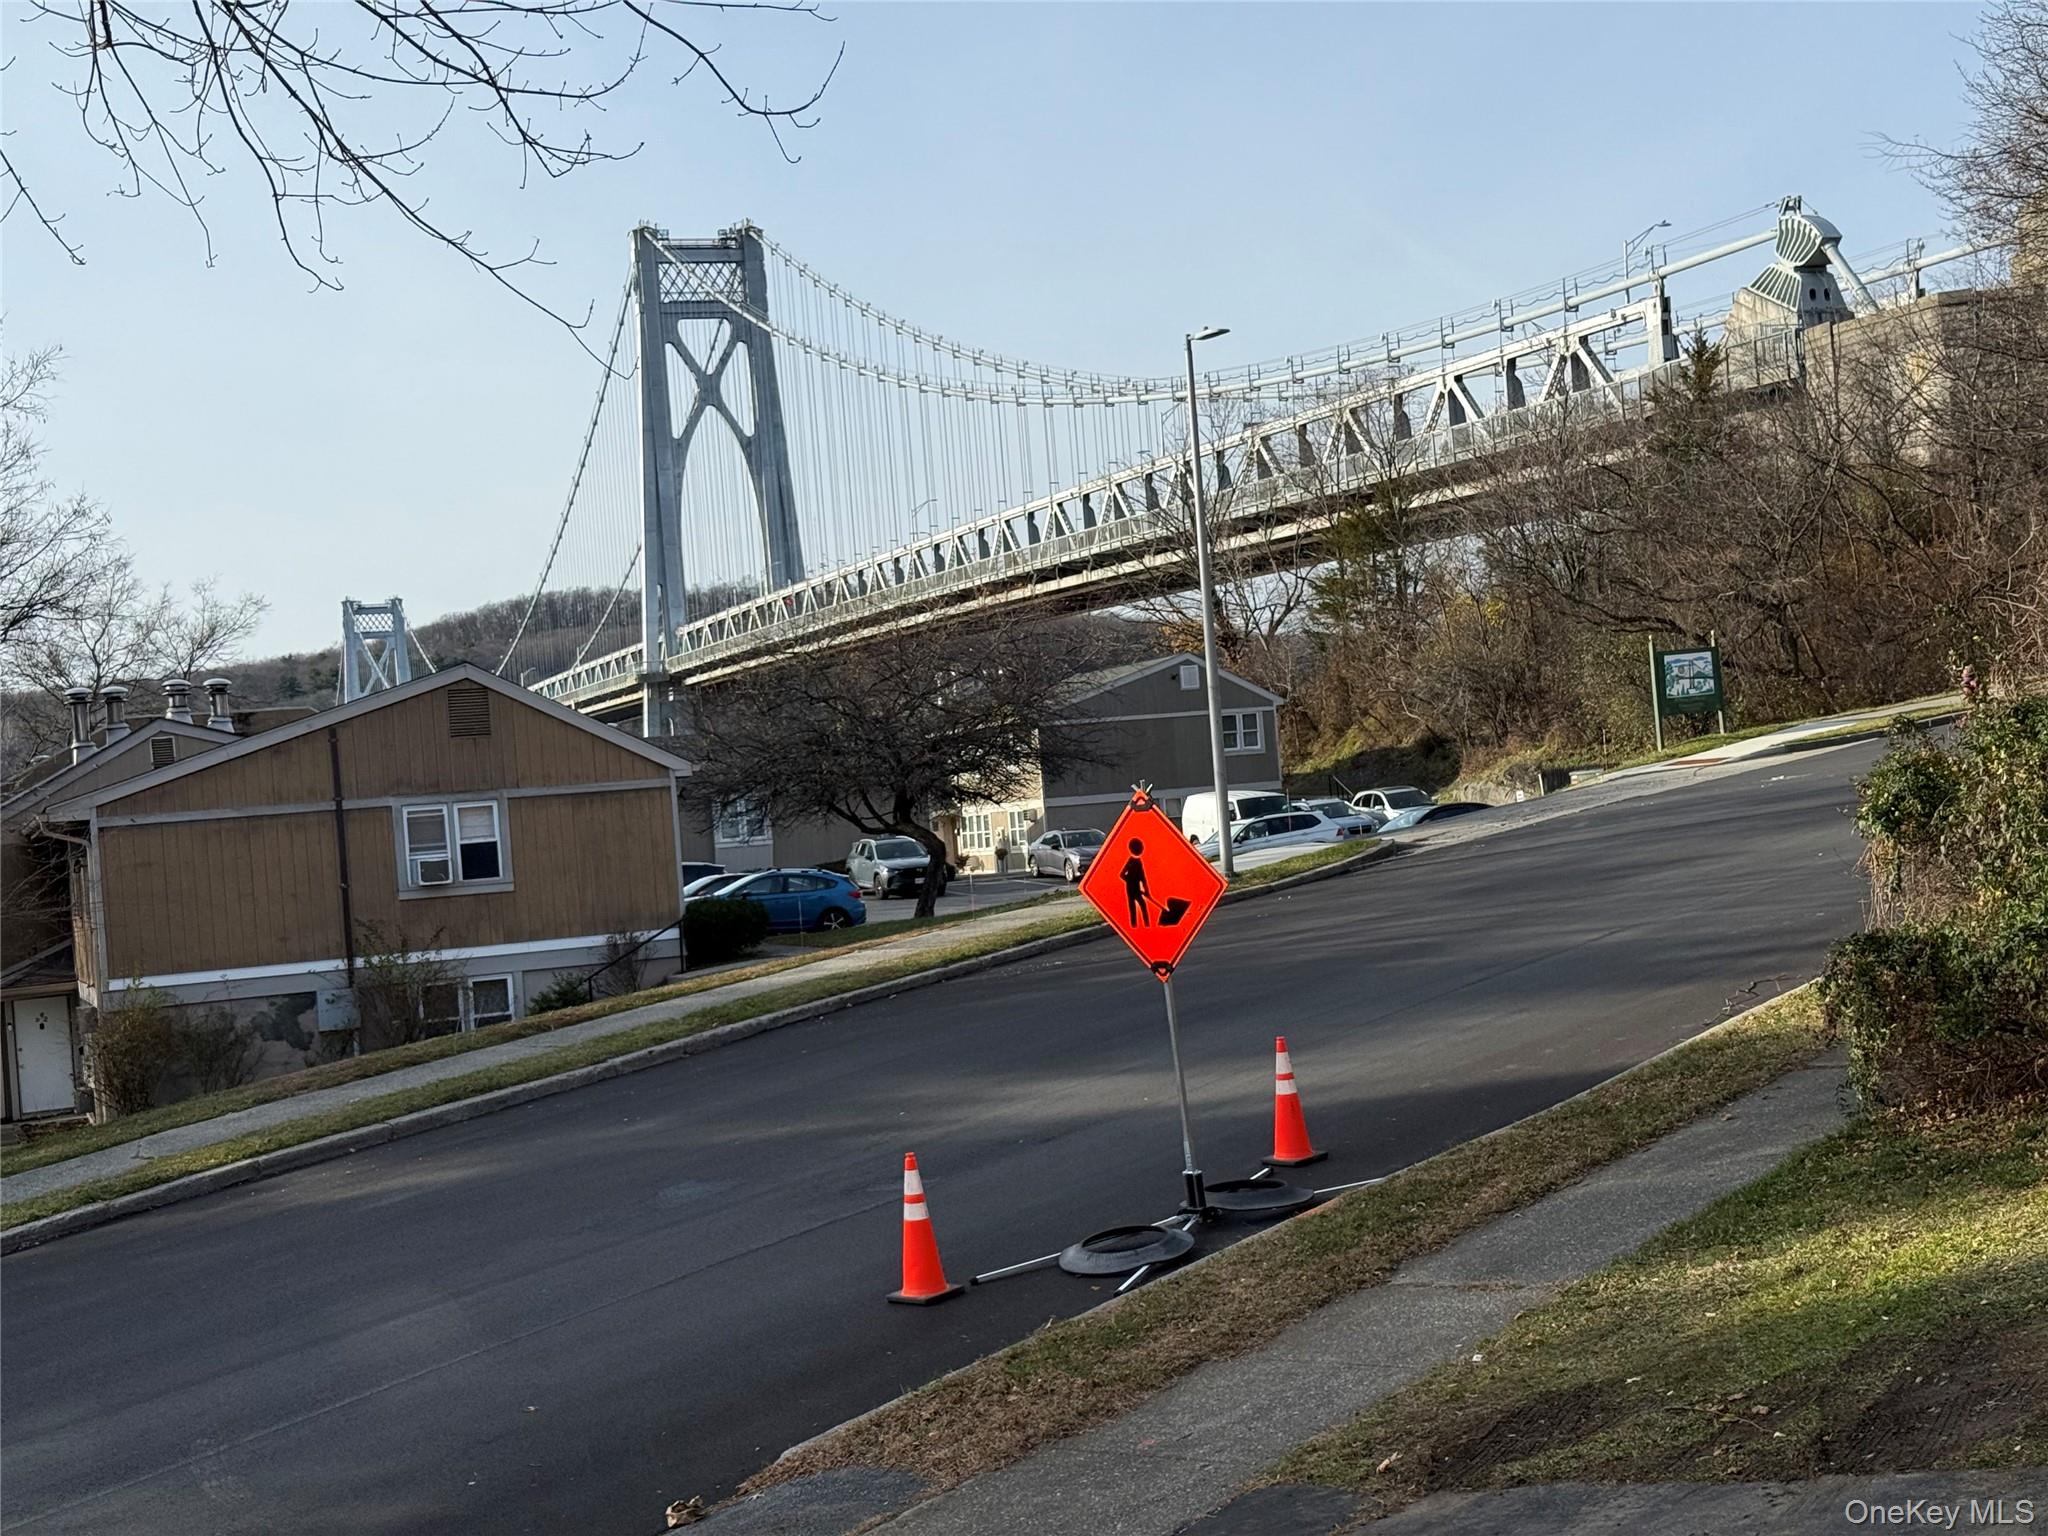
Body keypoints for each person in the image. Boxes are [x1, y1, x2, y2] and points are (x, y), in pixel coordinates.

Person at [1120, 837, 1151, 927]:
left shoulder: (1138, 862)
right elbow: (1122, 874)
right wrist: (1130, 881)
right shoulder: (1131, 861)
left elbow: (1143, 878)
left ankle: (1146, 925)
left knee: (1142, 906)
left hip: (1135, 888)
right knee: (1134, 907)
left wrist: (1146, 891)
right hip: (1130, 889)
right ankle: (1135, 926)